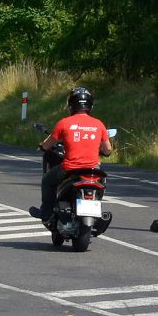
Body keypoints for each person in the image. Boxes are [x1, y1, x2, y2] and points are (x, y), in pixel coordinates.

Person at [33, 87, 112, 218]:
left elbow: (48, 144)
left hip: (70, 168)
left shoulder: (64, 123)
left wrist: (42, 146)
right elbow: (107, 149)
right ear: (90, 105)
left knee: (47, 181)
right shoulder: (99, 124)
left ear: (71, 105)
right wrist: (103, 152)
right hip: (93, 169)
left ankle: (46, 212)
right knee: (101, 182)